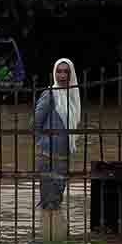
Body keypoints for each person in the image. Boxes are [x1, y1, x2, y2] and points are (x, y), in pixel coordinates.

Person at [34, 58, 81, 213]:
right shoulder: (50, 94)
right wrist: (44, 144)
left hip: (63, 154)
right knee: (48, 199)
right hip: (47, 154)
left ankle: (53, 228)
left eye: (65, 72)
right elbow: (36, 123)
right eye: (58, 71)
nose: (62, 75)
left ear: (71, 74)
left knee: (58, 195)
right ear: (54, 74)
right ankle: (47, 229)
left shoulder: (72, 97)